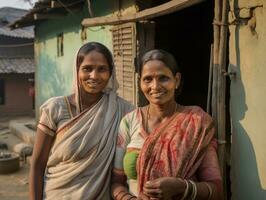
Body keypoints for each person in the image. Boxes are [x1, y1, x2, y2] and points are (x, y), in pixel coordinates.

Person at [111, 49, 222, 200]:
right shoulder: (129, 122)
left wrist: (182, 187)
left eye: (163, 78)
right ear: (140, 83)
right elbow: (116, 182)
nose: (155, 86)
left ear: (176, 80)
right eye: (148, 79)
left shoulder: (196, 122)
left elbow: (216, 189)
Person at [29, 42, 133, 200]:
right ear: (77, 70)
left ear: (111, 72)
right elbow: (37, 165)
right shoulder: (55, 109)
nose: (94, 76)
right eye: (87, 68)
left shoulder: (123, 111)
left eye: (102, 69)